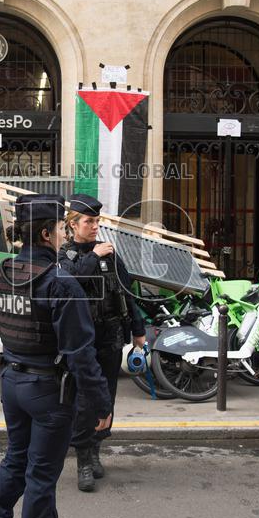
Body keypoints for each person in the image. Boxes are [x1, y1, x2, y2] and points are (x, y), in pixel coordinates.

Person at [0, 194, 113, 518]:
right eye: (58, 228)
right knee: (41, 475)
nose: (61, 234)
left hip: (12, 384)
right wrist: (101, 404)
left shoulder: (1, 274)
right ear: (44, 233)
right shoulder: (60, 282)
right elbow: (81, 353)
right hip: (49, 392)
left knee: (14, 462)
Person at [57, 193, 145, 493]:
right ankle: (82, 458)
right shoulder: (65, 256)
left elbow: (126, 291)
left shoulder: (109, 254)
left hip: (110, 337)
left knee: (107, 397)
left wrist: (138, 330)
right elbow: (72, 282)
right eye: (88, 221)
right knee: (84, 400)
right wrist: (94, 256)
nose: (95, 227)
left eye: (97, 221)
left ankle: (96, 450)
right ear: (72, 225)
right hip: (82, 342)